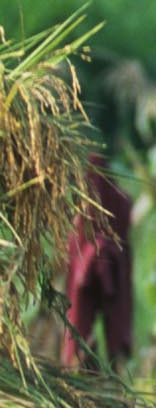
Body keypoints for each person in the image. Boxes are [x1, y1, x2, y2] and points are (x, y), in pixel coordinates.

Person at [61, 154, 133, 369]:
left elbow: (72, 247)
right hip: (112, 272)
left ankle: (81, 363)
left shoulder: (84, 207)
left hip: (90, 274)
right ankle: (109, 367)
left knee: (81, 325)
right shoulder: (122, 202)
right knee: (108, 327)